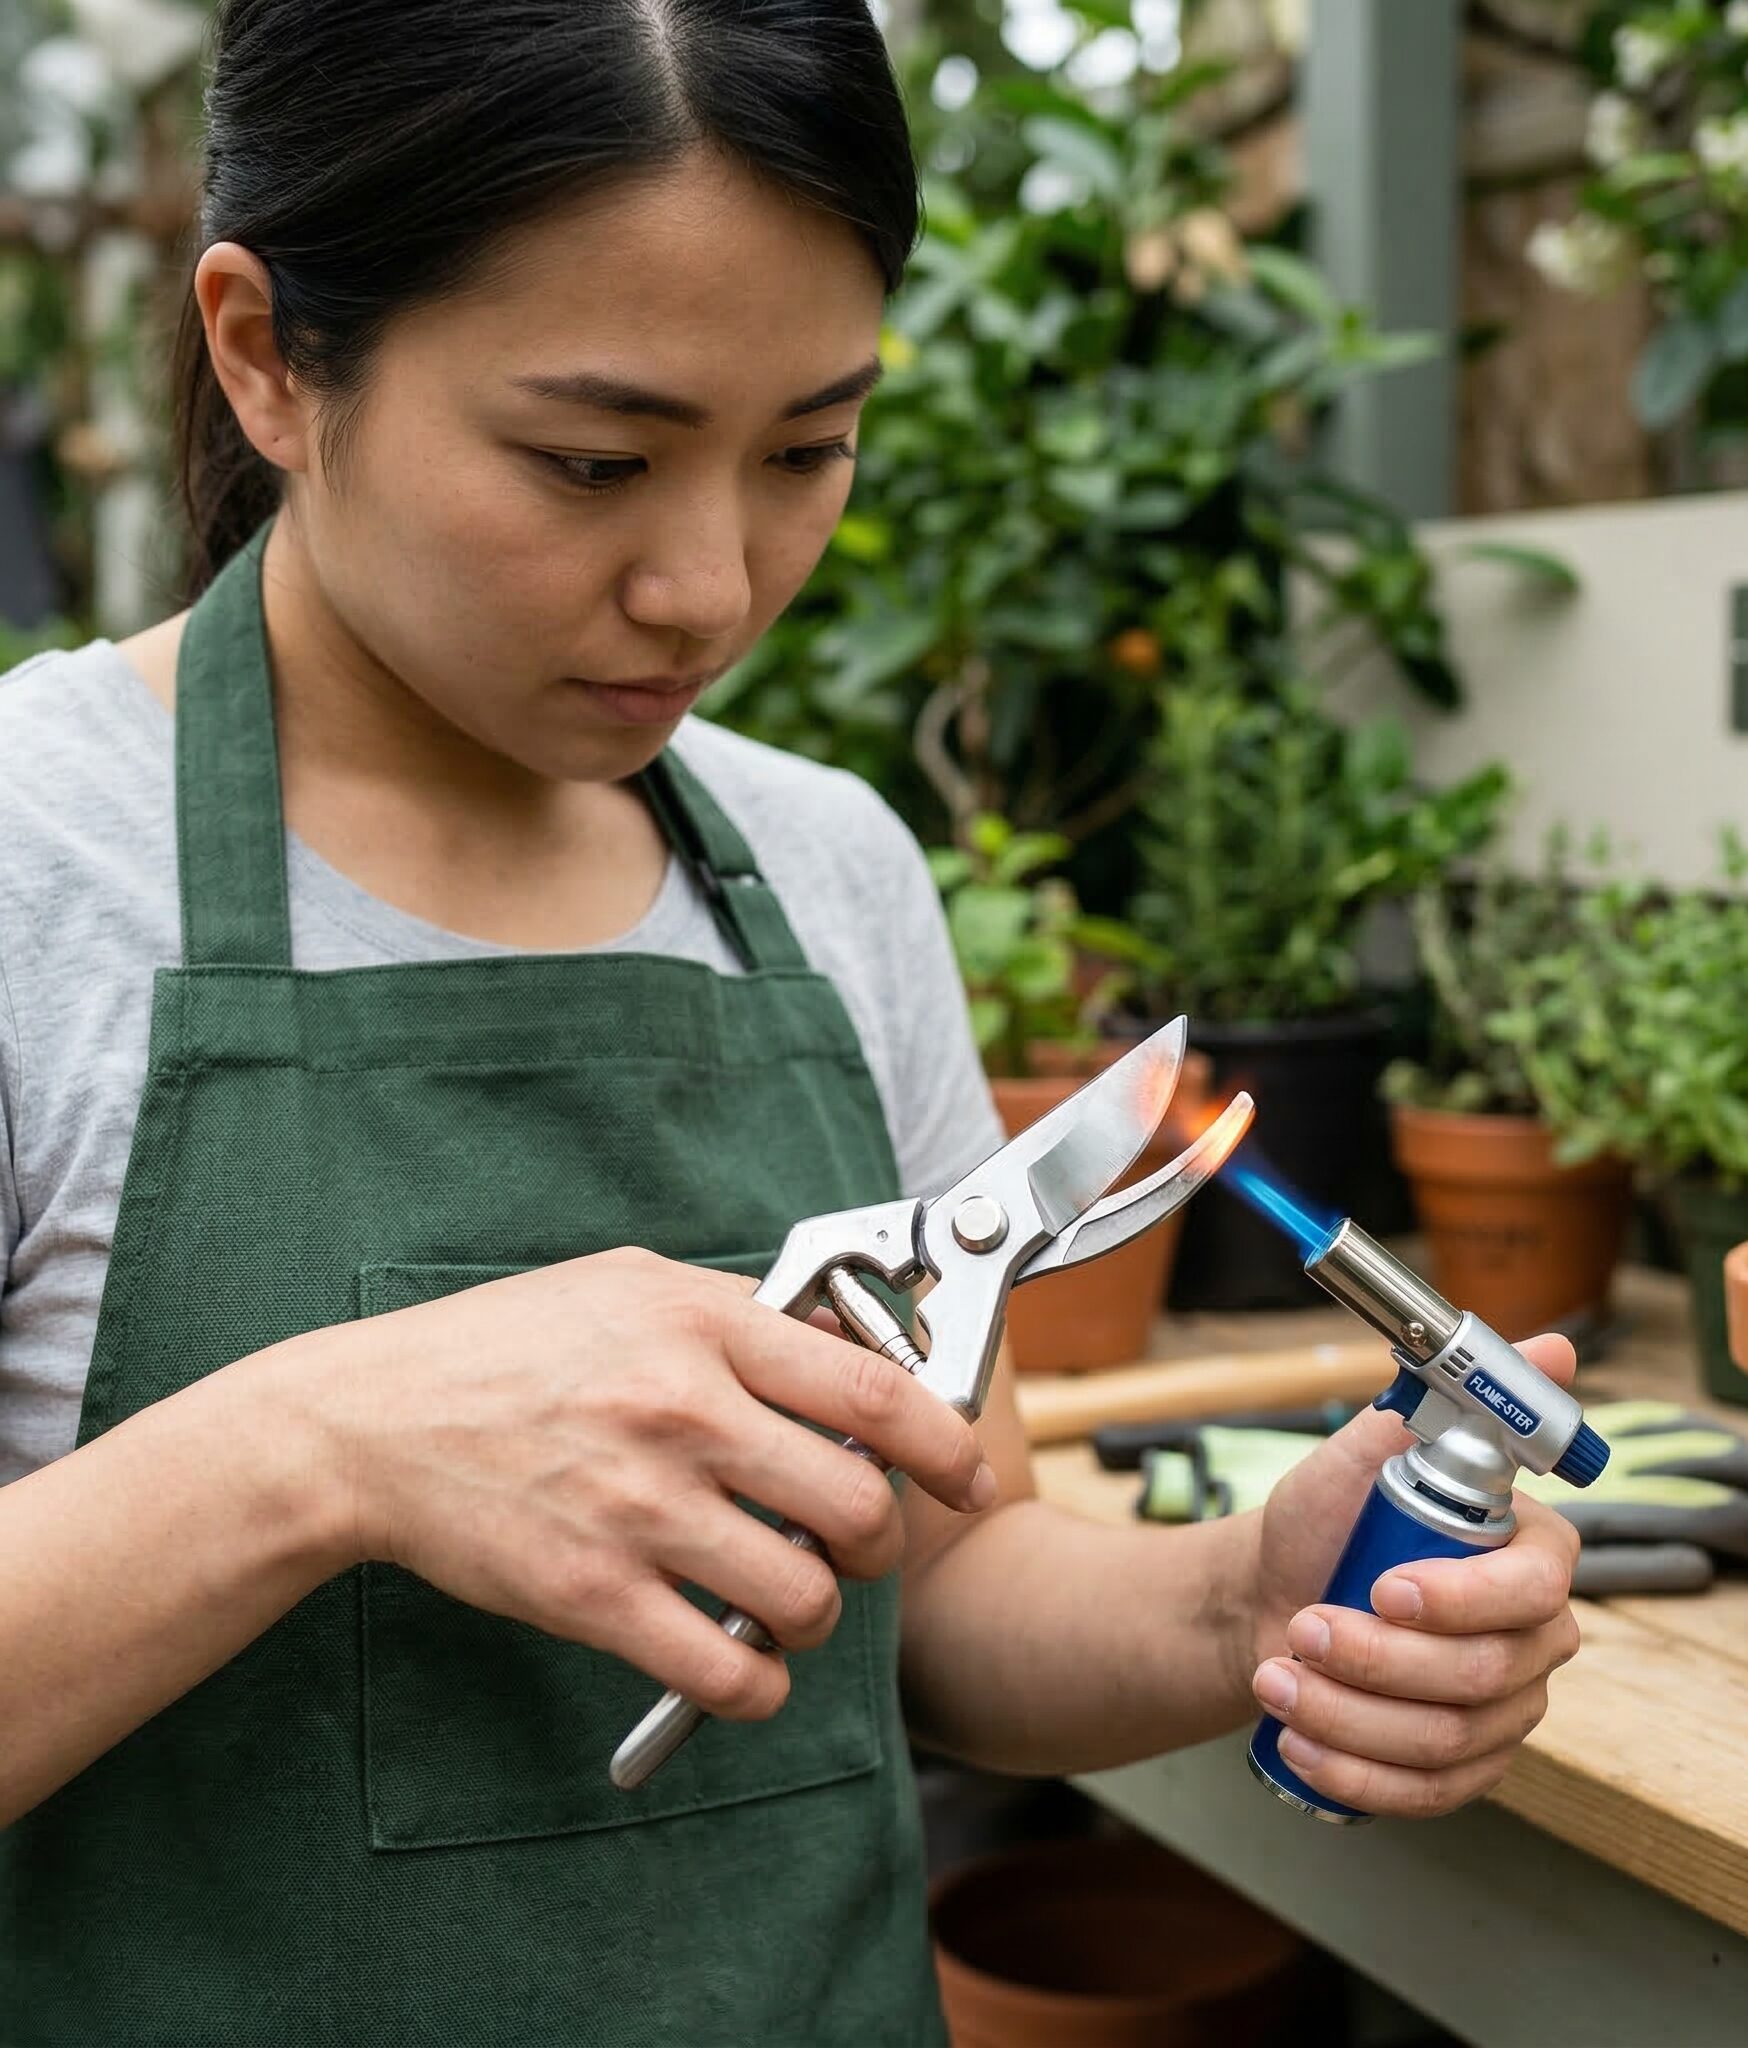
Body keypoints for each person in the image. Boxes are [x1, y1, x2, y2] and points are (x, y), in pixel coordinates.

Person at [0, 3, 1584, 2040]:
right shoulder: (42, 862)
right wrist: (321, 1447)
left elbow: (940, 1578)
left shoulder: (830, 872)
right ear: (265, 351)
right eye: (592, 458)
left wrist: (1235, 1607)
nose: (712, 582)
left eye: (809, 447)